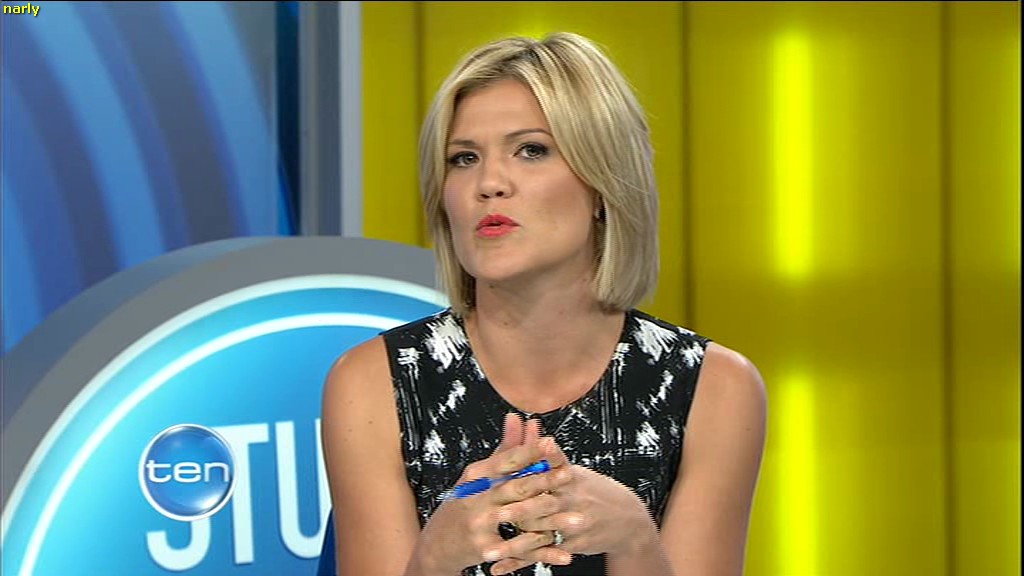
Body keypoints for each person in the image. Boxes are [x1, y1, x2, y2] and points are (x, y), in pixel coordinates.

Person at [321, 32, 767, 576]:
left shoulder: (714, 387)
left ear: (602, 184)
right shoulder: (372, 383)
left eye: (531, 150)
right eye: (464, 158)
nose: (489, 183)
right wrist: (434, 559)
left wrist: (635, 542)